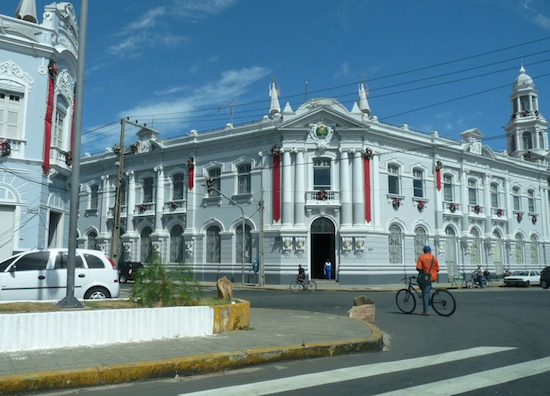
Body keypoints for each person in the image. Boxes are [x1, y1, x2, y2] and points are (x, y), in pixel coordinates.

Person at [416, 245, 440, 316]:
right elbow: (438, 269)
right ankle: (428, 301)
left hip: (426, 278)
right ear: (430, 251)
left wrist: (424, 270)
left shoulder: (421, 257)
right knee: (426, 290)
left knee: (425, 294)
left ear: (424, 251)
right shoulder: (434, 258)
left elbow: (418, 268)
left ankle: (425, 311)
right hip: (433, 277)